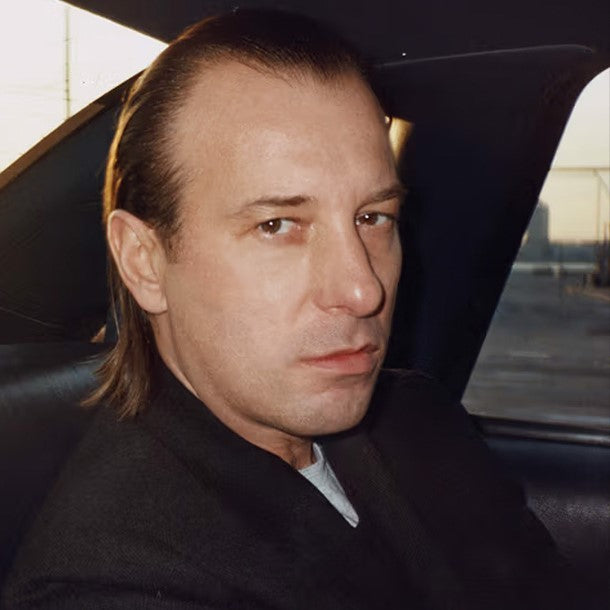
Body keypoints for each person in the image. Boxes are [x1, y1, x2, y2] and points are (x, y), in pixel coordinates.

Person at [3, 9, 574, 610]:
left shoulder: (420, 420)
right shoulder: (112, 584)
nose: (363, 291)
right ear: (145, 261)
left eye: (372, 217)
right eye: (278, 224)